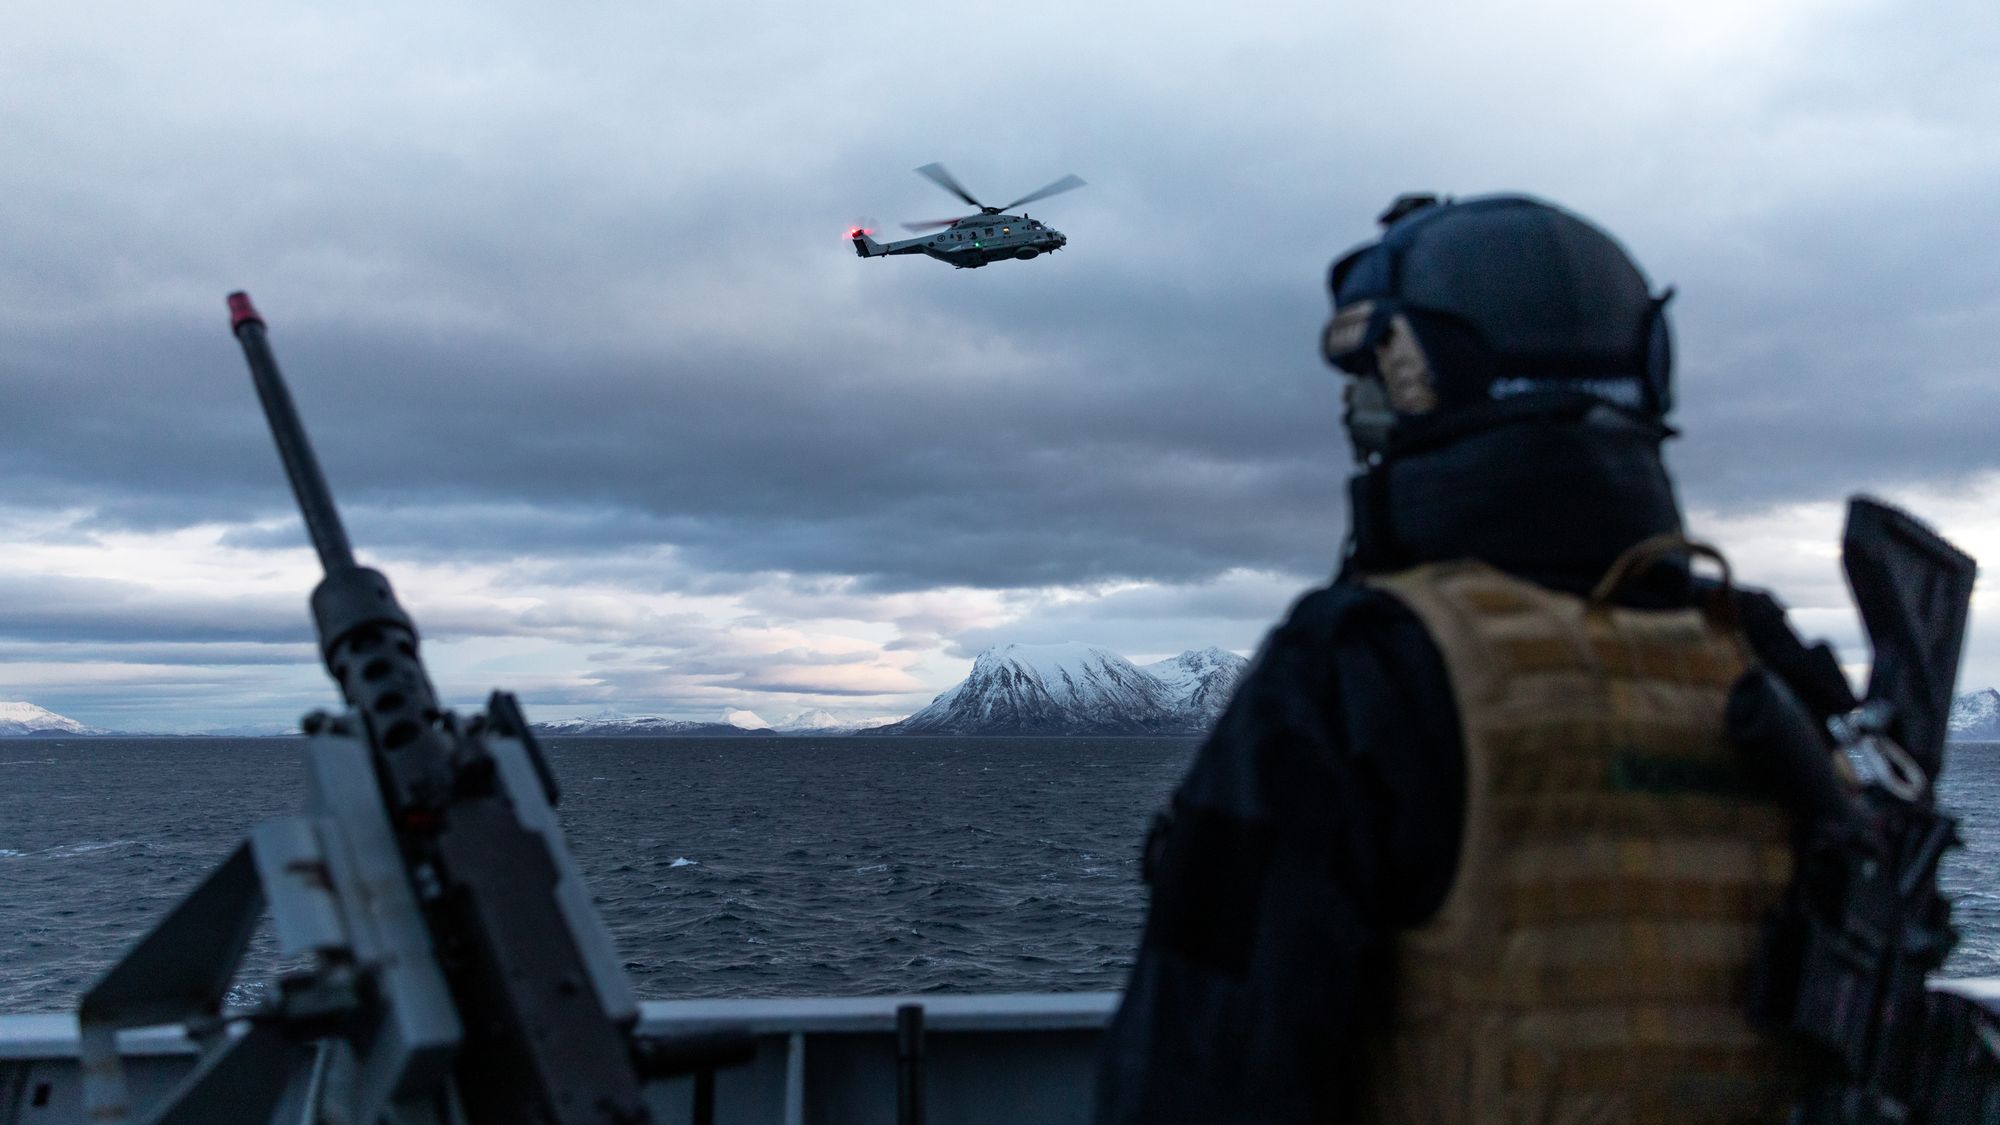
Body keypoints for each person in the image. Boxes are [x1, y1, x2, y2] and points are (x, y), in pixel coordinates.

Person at [1094, 194, 1855, 1123]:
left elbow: (1195, 1076)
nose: (1353, 403)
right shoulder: (1768, 663)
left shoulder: (1359, 667)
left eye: (1370, 367)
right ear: (1653, 369)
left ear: (1419, 372)